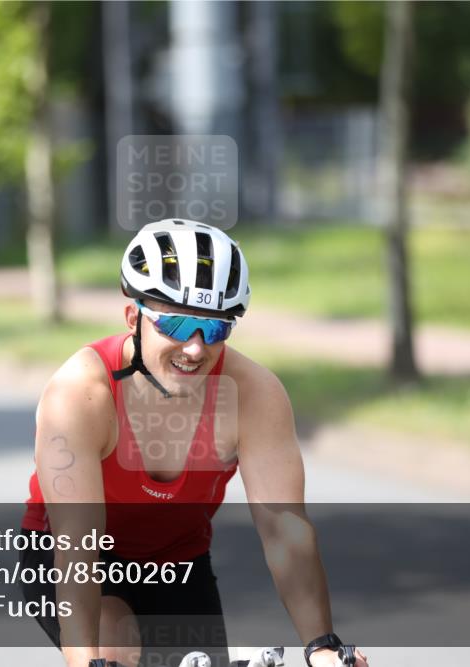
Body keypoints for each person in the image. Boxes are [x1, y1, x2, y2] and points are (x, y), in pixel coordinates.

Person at [20, 219, 368, 667]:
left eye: (217, 329)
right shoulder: (81, 394)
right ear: (134, 318)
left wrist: (321, 646)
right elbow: (78, 546)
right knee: (115, 645)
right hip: (71, 557)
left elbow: (284, 528)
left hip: (177, 561)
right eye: (179, 326)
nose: (196, 349)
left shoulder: (253, 394)